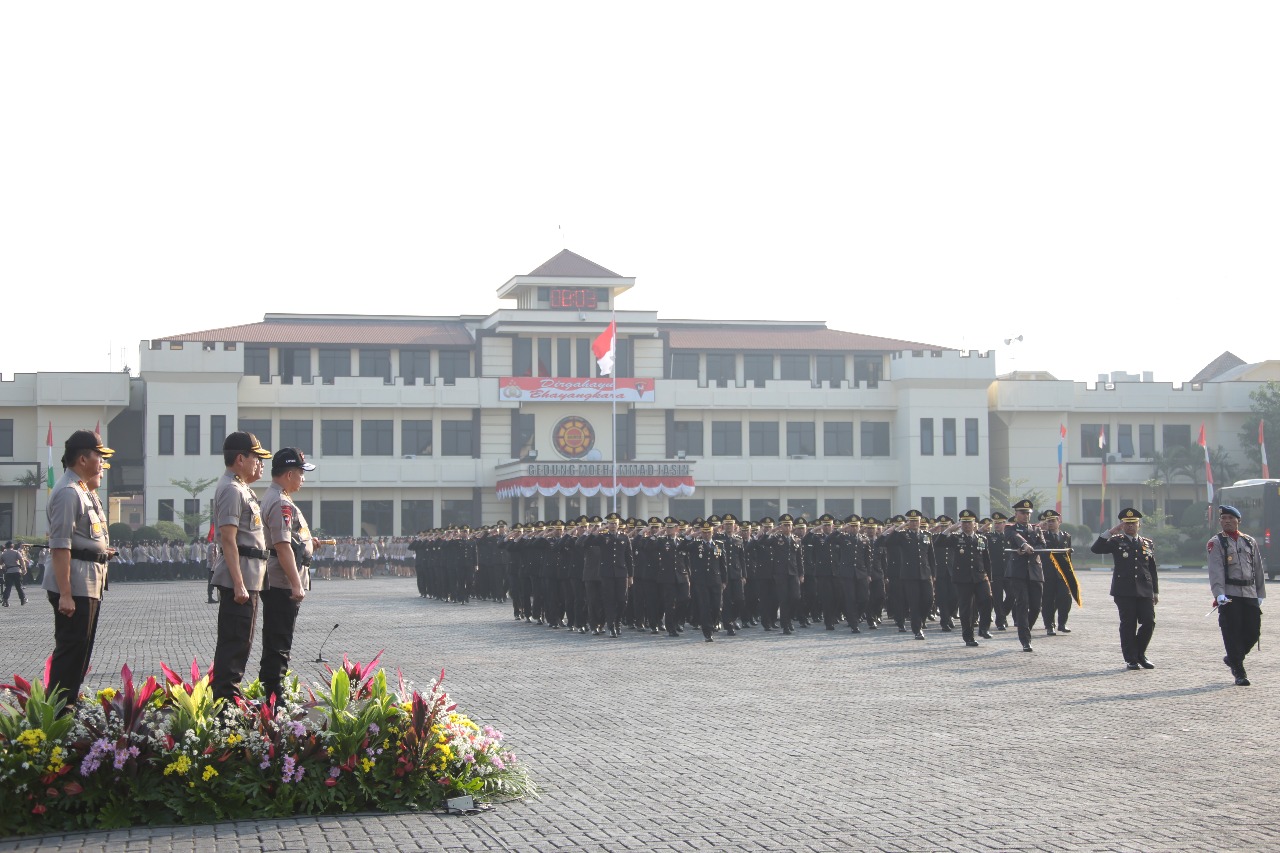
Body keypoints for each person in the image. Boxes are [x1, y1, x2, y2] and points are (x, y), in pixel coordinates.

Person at [43, 429, 116, 707]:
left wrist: (99, 550)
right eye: (99, 456)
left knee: (80, 653)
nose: (102, 462)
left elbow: (81, 538)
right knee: (71, 651)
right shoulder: (68, 492)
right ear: (83, 458)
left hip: (88, 581)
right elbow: (59, 546)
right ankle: (58, 713)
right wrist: (65, 593)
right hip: (74, 584)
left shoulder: (83, 490)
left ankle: (69, 704)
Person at [209, 431, 273, 703]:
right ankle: (225, 702)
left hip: (250, 575)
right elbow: (228, 538)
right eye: (255, 458)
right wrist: (237, 583)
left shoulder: (242, 487)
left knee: (242, 642)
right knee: (234, 643)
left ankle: (230, 697)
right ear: (240, 458)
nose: (259, 464)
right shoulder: (231, 489)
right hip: (241, 578)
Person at [258, 447, 315, 706]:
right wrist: (295, 583)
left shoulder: (279, 497)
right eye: (302, 473)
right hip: (282, 581)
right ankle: (274, 697)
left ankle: (272, 692)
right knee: (279, 640)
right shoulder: (280, 502)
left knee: (278, 638)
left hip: (281, 578)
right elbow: (281, 545)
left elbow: (290, 541)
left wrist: (307, 544)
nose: (303, 478)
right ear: (290, 473)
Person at [1091, 508, 1159, 670]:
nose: (1130, 526)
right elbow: (1096, 549)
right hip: (1124, 590)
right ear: (1122, 525)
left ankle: (1140, 653)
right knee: (1128, 624)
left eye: (1133, 523)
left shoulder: (1147, 543)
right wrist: (1112, 531)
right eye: (1127, 523)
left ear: (1139, 525)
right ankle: (1131, 658)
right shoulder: (1116, 541)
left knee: (1149, 622)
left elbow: (1152, 568)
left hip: (1145, 589)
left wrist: (1155, 591)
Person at [1207, 504, 1265, 686]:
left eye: (1230, 519)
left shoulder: (1249, 541)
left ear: (1238, 520)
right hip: (1229, 594)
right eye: (1223, 519)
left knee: (1253, 631)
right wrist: (1219, 594)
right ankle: (1239, 671)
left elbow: (1258, 568)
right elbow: (1215, 569)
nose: (1227, 521)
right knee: (1232, 632)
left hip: (1249, 592)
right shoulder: (1216, 542)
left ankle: (1233, 657)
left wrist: (1260, 593)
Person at [1002, 499, 1045, 652]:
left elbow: (1042, 545)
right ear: (1016, 514)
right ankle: (1025, 640)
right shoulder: (1010, 528)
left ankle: (1026, 628)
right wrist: (1023, 546)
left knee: (1035, 606)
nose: (1026, 515)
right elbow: (1014, 537)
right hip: (1018, 573)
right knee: (1023, 604)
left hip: (1035, 571)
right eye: (1022, 512)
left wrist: (1033, 548)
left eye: (1028, 513)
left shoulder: (1036, 529)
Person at [2, 541, 28, 606]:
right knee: (18, 586)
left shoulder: (3, 554)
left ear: (6, 546)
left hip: (8, 571)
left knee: (8, 587)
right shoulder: (16, 552)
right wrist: (24, 568)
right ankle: (23, 599)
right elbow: (21, 560)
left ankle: (5, 600)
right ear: (12, 546)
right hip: (16, 571)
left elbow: (1, 563)